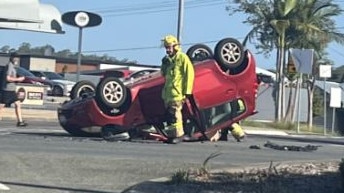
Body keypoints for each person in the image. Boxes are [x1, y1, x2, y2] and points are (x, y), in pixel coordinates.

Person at [160, 35, 194, 144]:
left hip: (177, 93)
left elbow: (189, 74)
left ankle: (179, 135)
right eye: (166, 47)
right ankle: (171, 135)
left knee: (175, 114)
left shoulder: (182, 58)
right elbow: (163, 74)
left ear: (175, 46)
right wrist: (164, 64)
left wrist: (187, 91)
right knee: (170, 116)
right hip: (168, 93)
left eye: (169, 47)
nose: (168, 50)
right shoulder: (168, 60)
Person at [0, 53, 27, 127]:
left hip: (12, 90)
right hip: (7, 90)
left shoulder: (13, 67)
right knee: (2, 106)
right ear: (11, 58)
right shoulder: (9, 66)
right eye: (15, 58)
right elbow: (8, 78)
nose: (17, 59)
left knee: (18, 104)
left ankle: (20, 121)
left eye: (17, 58)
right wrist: (18, 79)